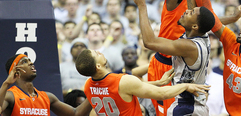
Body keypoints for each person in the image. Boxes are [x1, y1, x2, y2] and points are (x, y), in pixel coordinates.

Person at [127, 0, 217, 115]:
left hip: (186, 107)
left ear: (194, 26)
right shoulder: (202, 34)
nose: (187, 11)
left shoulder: (188, 46)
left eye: (191, 12)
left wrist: (141, 5)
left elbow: (149, 42)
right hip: (194, 105)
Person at [75, 49, 210, 116]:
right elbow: (161, 94)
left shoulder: (88, 86)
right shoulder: (123, 80)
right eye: (96, 54)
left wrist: (158, 82)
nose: (99, 52)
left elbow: (124, 91)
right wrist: (185, 85)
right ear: (98, 66)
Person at [0, 54, 92, 116]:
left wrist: (94, 91)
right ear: (15, 71)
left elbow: (75, 113)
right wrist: (6, 83)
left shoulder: (48, 97)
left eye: (30, 60)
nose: (31, 63)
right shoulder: (10, 96)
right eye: (24, 62)